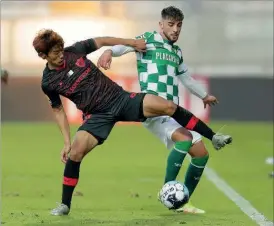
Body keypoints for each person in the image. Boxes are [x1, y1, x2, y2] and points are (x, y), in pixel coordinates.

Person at [32, 29, 232, 216]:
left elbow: (102, 41)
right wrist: (66, 142)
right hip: (97, 116)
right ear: (43, 56)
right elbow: (58, 110)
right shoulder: (48, 82)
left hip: (120, 99)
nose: (60, 55)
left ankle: (212, 136)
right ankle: (65, 204)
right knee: (75, 153)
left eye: (60, 50)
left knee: (168, 106)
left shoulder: (74, 51)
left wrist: (132, 43)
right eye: (55, 53)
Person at [98, 6, 224, 213]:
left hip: (171, 112)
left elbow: (186, 79)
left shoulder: (176, 52)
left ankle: (182, 202)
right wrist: (109, 50)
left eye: (179, 26)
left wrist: (204, 95)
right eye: (171, 24)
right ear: (161, 24)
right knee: (184, 139)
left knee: (201, 154)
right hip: (152, 109)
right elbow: (125, 46)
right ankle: (167, 191)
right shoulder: (148, 39)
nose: (175, 29)